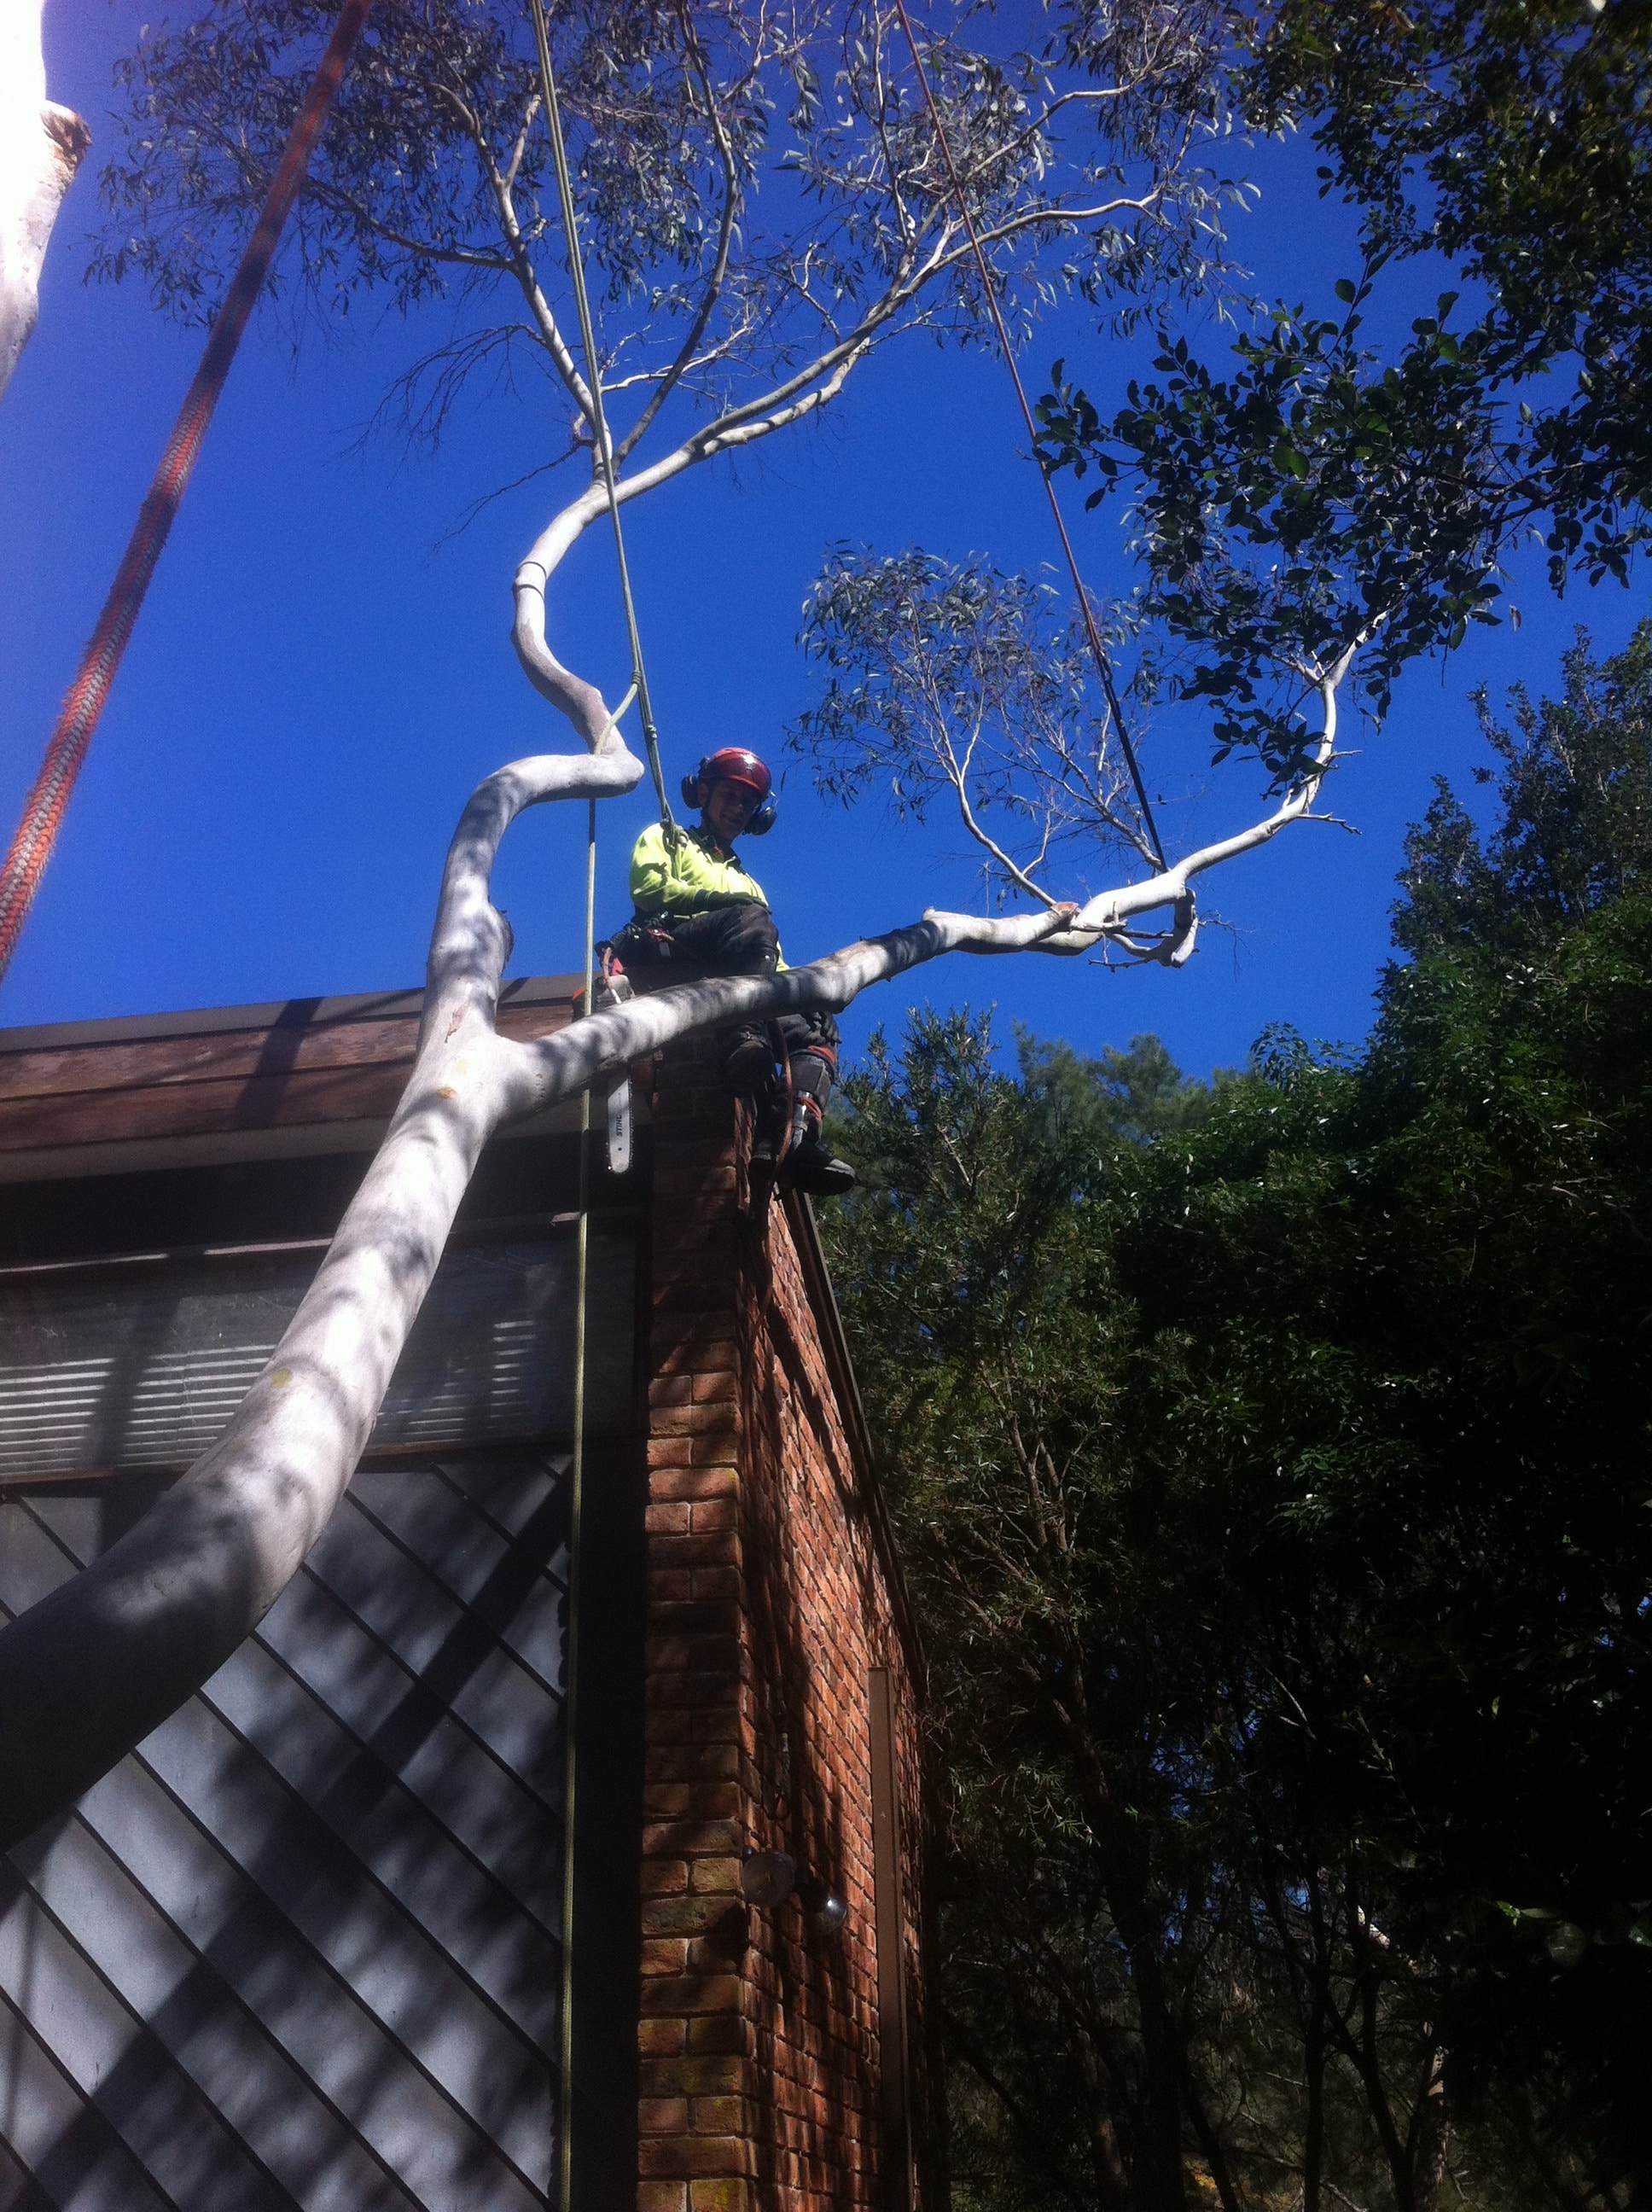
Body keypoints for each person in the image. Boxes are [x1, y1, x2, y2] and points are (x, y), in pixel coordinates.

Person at [608, 748, 855, 1197]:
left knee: (818, 1033)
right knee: (750, 919)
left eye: (748, 804)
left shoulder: (749, 885)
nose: (738, 809)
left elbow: (768, 955)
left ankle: (787, 1141)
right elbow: (648, 889)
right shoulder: (668, 838)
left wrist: (805, 996)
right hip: (673, 952)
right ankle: (745, 1037)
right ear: (702, 794)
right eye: (729, 796)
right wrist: (720, 902)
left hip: (737, 976)